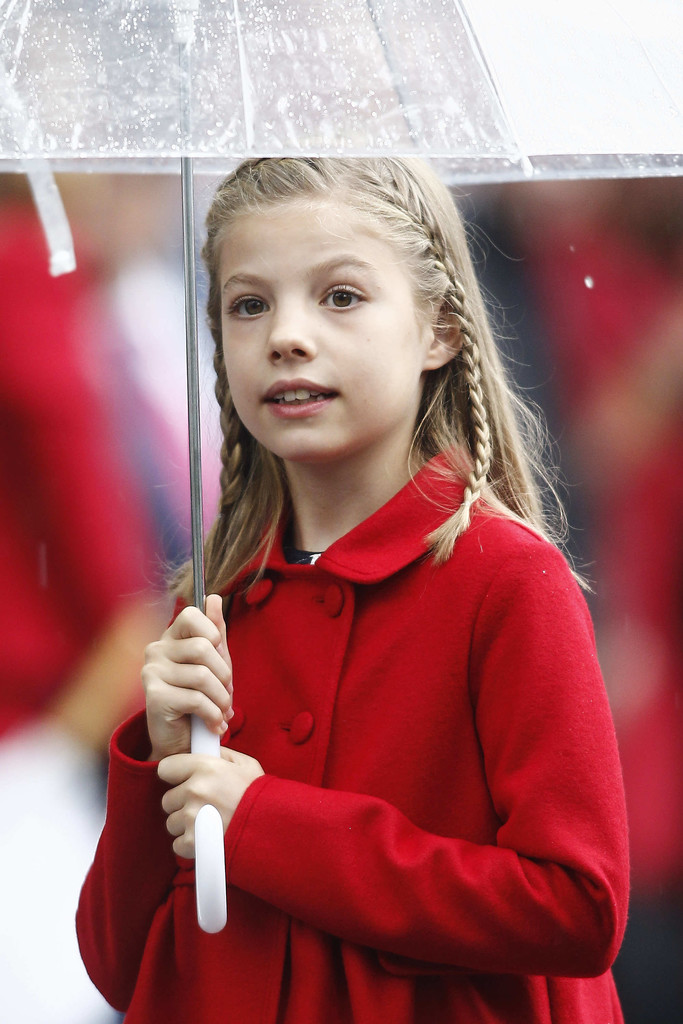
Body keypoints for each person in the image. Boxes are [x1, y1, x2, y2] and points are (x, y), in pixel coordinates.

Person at [76, 157, 629, 1024]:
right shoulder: (214, 604)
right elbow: (119, 965)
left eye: (339, 297)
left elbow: (576, 906)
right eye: (247, 304)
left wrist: (264, 821)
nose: (285, 336)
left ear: (440, 329)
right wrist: (151, 752)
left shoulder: (507, 580)